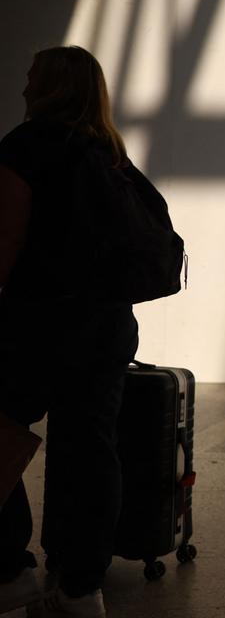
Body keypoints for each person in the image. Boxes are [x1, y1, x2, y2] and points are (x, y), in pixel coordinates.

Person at [0, 46, 140, 617]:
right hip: (105, 327)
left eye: (34, 73)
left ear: (49, 85)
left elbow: (4, 244)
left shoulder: (24, 148)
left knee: (2, 434)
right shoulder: (111, 155)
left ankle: (9, 571)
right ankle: (81, 586)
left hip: (35, 324)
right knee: (88, 452)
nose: (25, 82)